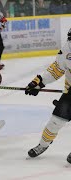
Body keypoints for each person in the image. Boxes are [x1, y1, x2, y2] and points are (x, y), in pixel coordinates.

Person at [25, 29, 71, 163]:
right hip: (70, 93)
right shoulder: (67, 49)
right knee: (55, 121)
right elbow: (57, 69)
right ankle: (43, 145)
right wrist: (39, 82)